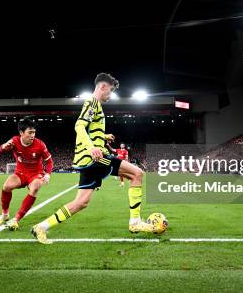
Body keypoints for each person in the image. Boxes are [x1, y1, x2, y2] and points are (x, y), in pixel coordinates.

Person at [31, 73, 153, 244]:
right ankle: (135, 222)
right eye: (110, 91)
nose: (110, 95)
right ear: (102, 87)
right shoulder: (92, 102)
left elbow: (89, 130)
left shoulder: (96, 105)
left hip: (87, 160)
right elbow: (79, 125)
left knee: (81, 202)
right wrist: (92, 147)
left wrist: (102, 136)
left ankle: (41, 227)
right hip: (95, 157)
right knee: (137, 174)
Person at [0, 117, 53, 231]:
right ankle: (5, 215)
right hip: (20, 173)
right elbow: (1, 149)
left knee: (35, 187)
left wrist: (48, 174)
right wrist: (4, 146)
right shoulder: (14, 141)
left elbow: (49, 161)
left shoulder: (40, 144)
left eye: (34, 132)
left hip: (36, 173)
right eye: (30, 132)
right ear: (21, 133)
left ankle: (16, 220)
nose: (32, 135)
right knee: (6, 187)